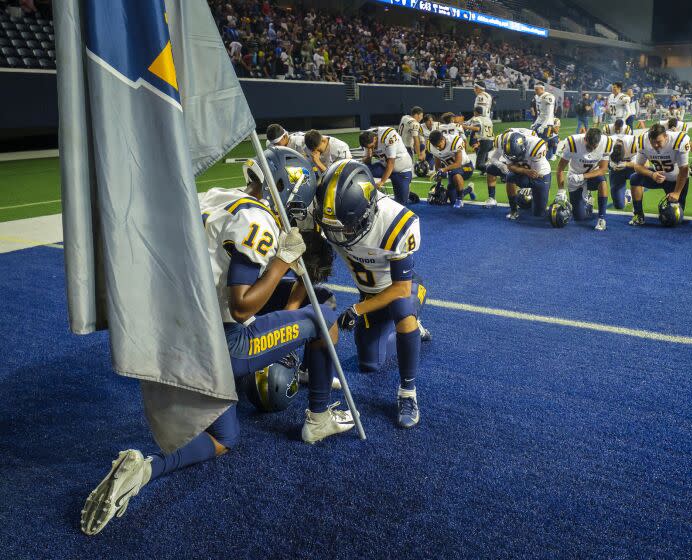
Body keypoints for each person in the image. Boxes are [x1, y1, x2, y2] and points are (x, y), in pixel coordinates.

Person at [79, 151, 353, 536]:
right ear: (289, 192)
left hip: (170, 331)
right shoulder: (258, 220)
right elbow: (241, 307)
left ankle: (143, 469)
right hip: (217, 344)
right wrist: (283, 263)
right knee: (324, 318)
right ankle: (318, 419)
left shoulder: (216, 195)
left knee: (226, 438)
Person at [314, 160, 430, 428]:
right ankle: (404, 329)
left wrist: (357, 310)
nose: (340, 234)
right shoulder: (329, 213)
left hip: (403, 288)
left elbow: (400, 288)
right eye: (332, 227)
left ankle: (407, 392)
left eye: (347, 226)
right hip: (368, 294)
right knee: (369, 364)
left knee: (402, 308)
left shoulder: (396, 222)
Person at [627, 124, 691, 226]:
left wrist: (677, 193)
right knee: (634, 178)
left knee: (674, 219)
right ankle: (638, 215)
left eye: (658, 142)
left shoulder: (678, 141)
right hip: (658, 176)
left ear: (666, 137)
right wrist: (652, 175)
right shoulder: (643, 141)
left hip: (676, 180)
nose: (655, 145)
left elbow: (684, 170)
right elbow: (637, 167)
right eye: (652, 142)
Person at [555, 128, 612, 230]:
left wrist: (583, 176)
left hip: (592, 175)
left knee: (602, 182)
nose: (591, 149)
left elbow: (603, 169)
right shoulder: (572, 142)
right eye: (589, 146)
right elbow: (560, 168)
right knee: (579, 217)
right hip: (575, 176)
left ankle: (601, 219)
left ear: (599, 142)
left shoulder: (607, 143)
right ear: (585, 138)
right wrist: (561, 190)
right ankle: (587, 201)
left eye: (594, 147)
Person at [500, 131, 552, 221]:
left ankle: (529, 195)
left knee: (539, 214)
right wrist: (524, 170)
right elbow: (510, 166)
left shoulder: (536, 145)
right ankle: (513, 209)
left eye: (517, 155)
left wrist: (522, 171)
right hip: (526, 172)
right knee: (510, 176)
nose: (515, 159)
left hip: (541, 175)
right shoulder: (507, 148)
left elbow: (535, 173)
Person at [483, 127, 538, 208]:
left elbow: (536, 162)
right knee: (491, 168)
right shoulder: (500, 140)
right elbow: (493, 158)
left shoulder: (530, 139)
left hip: (526, 164)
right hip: (511, 164)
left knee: (526, 199)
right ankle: (492, 198)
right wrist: (501, 166)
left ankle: (529, 190)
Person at [359, 126, 414, 205]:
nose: (371, 148)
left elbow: (391, 162)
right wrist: (369, 154)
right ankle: (363, 193)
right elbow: (367, 162)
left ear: (375, 138)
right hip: (383, 166)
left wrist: (382, 182)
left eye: (372, 147)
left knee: (400, 204)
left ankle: (408, 193)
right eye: (368, 147)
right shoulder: (366, 137)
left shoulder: (388, 135)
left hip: (401, 170)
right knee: (362, 169)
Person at [428, 129, 475, 208]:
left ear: (443, 139)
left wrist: (443, 170)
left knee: (456, 174)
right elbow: (438, 163)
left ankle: (460, 200)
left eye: (439, 146)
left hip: (466, 167)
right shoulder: (431, 146)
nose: (438, 148)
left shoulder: (454, 141)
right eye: (435, 147)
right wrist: (438, 177)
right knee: (453, 199)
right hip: (451, 170)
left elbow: (458, 163)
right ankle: (470, 189)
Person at [607, 131, 637, 211]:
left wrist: (626, 164)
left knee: (640, 179)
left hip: (632, 168)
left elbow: (643, 165)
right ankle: (628, 196)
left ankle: (638, 206)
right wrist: (611, 164)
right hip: (616, 170)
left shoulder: (633, 142)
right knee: (619, 205)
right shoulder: (607, 143)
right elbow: (601, 160)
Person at [463, 106, 495, 175]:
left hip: (485, 142)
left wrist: (466, 127)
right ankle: (487, 170)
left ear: (475, 112)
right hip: (491, 141)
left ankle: (498, 170)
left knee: (479, 165)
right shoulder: (488, 119)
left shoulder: (477, 118)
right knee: (482, 159)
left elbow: (477, 128)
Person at [532, 83, 557, 159]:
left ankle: (546, 157)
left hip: (547, 123)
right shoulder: (537, 97)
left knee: (544, 141)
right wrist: (535, 123)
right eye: (535, 89)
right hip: (540, 122)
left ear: (542, 89)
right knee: (535, 140)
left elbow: (549, 113)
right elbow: (540, 113)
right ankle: (538, 156)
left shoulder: (548, 96)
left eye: (537, 89)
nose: (535, 91)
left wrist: (543, 125)